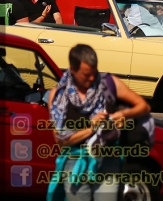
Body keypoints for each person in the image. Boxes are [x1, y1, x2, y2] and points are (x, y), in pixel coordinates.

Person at [48, 44, 151, 201]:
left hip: (108, 160)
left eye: (94, 72)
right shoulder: (58, 96)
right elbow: (60, 140)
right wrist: (91, 127)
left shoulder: (108, 83)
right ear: (73, 70)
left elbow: (144, 106)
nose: (91, 78)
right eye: (86, 74)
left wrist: (124, 114)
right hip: (75, 164)